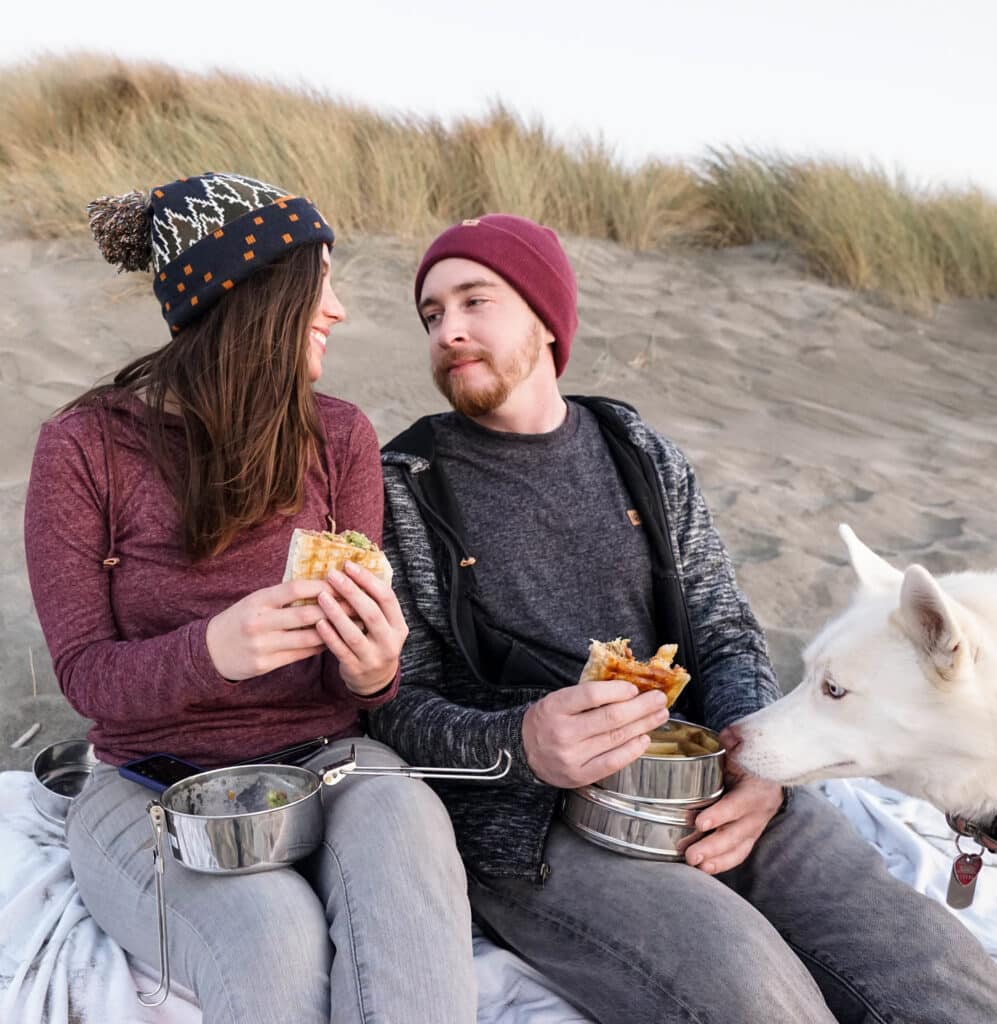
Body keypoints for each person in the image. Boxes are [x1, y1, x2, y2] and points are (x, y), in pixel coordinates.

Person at [368, 213, 997, 1023]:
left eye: (473, 301)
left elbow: (725, 629)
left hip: (716, 785)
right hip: (541, 830)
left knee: (939, 977)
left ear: (543, 314)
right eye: (431, 315)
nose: (448, 331)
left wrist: (755, 767)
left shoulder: (638, 449)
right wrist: (518, 743)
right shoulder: (403, 488)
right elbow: (392, 706)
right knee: (753, 997)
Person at [24, 173, 476, 1024]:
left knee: (410, 831)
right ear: (253, 293)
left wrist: (377, 667)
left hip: (328, 762)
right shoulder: (84, 449)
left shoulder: (338, 436)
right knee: (274, 939)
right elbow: (86, 678)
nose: (338, 308)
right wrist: (212, 652)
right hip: (148, 787)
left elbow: (364, 689)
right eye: (321, 281)